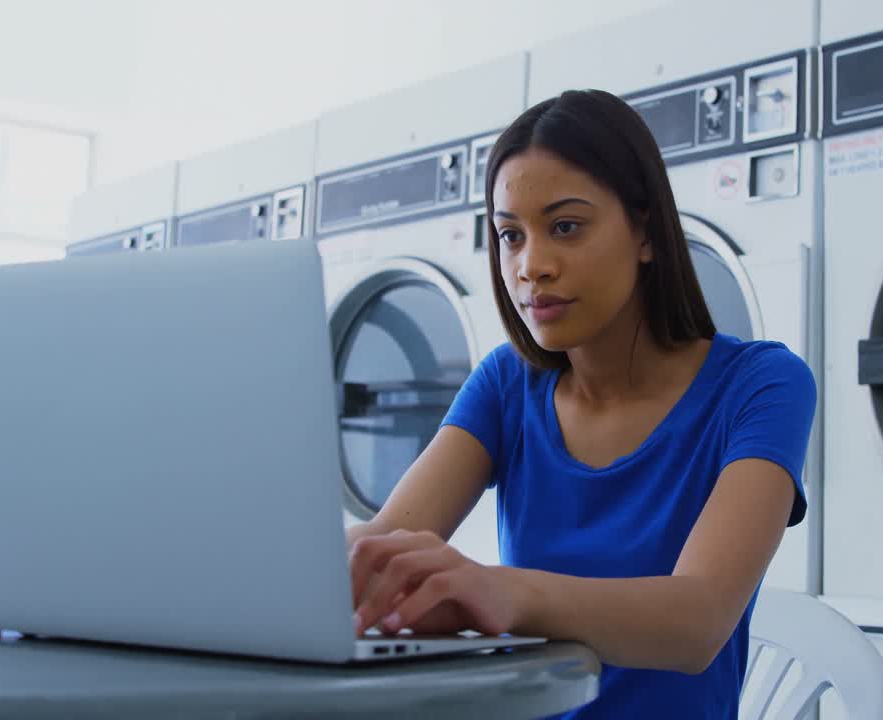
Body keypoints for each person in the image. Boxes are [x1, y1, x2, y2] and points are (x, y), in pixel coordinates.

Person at [347, 89, 816, 719]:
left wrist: (501, 591)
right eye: (510, 236)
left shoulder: (760, 385)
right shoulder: (507, 386)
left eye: (565, 227)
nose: (531, 265)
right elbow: (378, 554)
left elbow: (698, 622)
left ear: (645, 233)